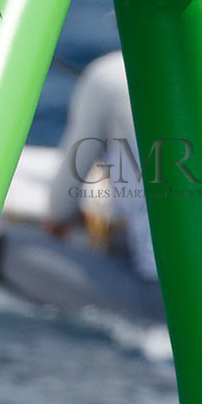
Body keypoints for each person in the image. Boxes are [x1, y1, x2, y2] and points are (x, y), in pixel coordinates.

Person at [43, 49, 157, 284]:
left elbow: (60, 210)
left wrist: (61, 220)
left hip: (163, 288)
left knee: (7, 252)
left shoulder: (108, 75)